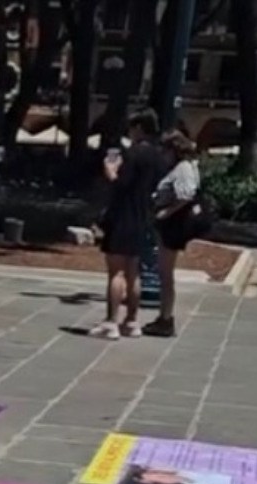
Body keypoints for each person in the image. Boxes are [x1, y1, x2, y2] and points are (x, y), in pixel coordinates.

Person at [90, 109, 164, 340]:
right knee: (135, 272)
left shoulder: (133, 154)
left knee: (116, 272)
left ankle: (111, 322)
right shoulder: (157, 157)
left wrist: (110, 171)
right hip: (143, 216)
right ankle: (132, 321)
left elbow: (121, 185)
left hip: (123, 217)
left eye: (132, 128)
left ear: (139, 128)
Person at [144, 130, 203, 338]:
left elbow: (186, 196)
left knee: (165, 274)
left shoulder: (183, 168)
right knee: (164, 273)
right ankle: (164, 316)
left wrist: (164, 213)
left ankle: (166, 318)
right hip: (169, 225)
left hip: (172, 226)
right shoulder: (183, 167)